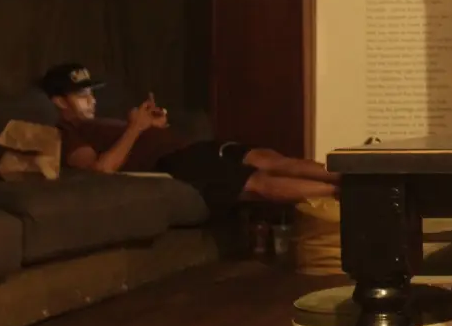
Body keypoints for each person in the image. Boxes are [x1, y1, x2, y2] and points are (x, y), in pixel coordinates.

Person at [39, 63, 336, 216]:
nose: (91, 101)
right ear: (59, 101)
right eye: (81, 96)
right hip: (175, 162)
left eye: (92, 94)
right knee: (257, 181)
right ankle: (346, 193)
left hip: (193, 147)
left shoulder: (102, 122)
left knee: (271, 159)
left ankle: (349, 175)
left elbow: (139, 134)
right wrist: (136, 128)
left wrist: (153, 125)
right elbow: (100, 170)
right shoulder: (66, 132)